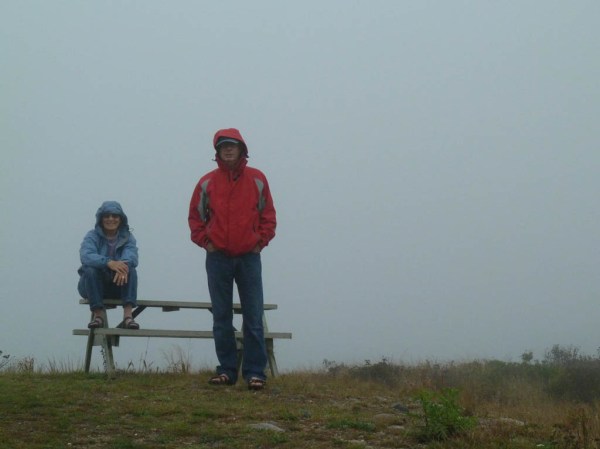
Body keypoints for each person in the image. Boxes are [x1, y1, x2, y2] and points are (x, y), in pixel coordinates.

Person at [188, 128, 276, 390]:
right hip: (218, 259)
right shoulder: (206, 183)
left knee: (253, 316)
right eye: (223, 146)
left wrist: (260, 242)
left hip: (249, 257)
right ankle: (226, 370)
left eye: (233, 145)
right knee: (221, 317)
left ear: (241, 149)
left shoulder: (257, 179)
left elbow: (268, 216)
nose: (228, 149)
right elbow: (195, 218)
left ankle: (255, 373)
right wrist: (207, 243)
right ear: (217, 151)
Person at [78, 200, 140, 329]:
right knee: (90, 270)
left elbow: (132, 255)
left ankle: (128, 316)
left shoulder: (128, 237)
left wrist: (122, 266)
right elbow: (86, 255)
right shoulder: (92, 236)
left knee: (130, 269)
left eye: (115, 216)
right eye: (106, 216)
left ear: (121, 219)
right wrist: (108, 262)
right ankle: (98, 316)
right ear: (101, 219)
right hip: (92, 284)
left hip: (118, 284)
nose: (110, 219)